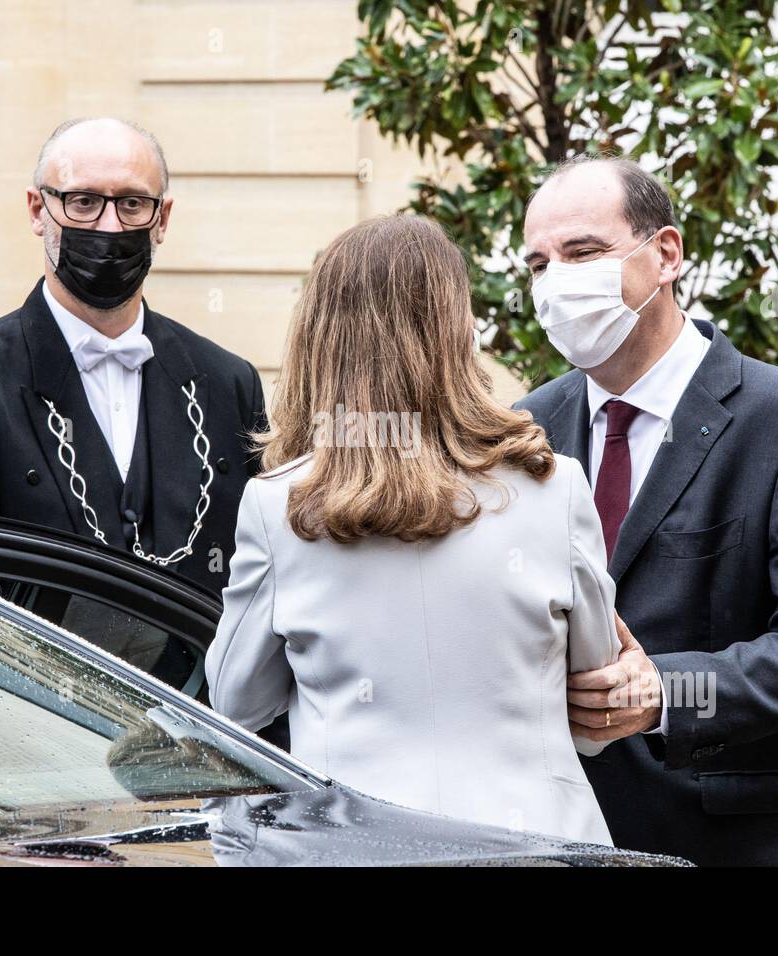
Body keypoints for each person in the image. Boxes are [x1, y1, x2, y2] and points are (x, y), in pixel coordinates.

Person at [204, 215, 622, 844]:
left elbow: (236, 702)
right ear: (457, 329)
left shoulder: (278, 505)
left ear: (319, 335)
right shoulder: (554, 486)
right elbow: (594, 701)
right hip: (537, 843)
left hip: (350, 847)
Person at [515, 155, 778, 866]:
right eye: (537, 264)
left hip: (748, 841)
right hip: (572, 831)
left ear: (666, 254)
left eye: (583, 252)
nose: (557, 281)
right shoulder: (527, 427)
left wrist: (666, 692)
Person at [0, 118, 266, 598]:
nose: (109, 226)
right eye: (83, 202)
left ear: (163, 219)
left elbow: (258, 579)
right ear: (37, 210)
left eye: (132, 204)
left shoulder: (228, 382)